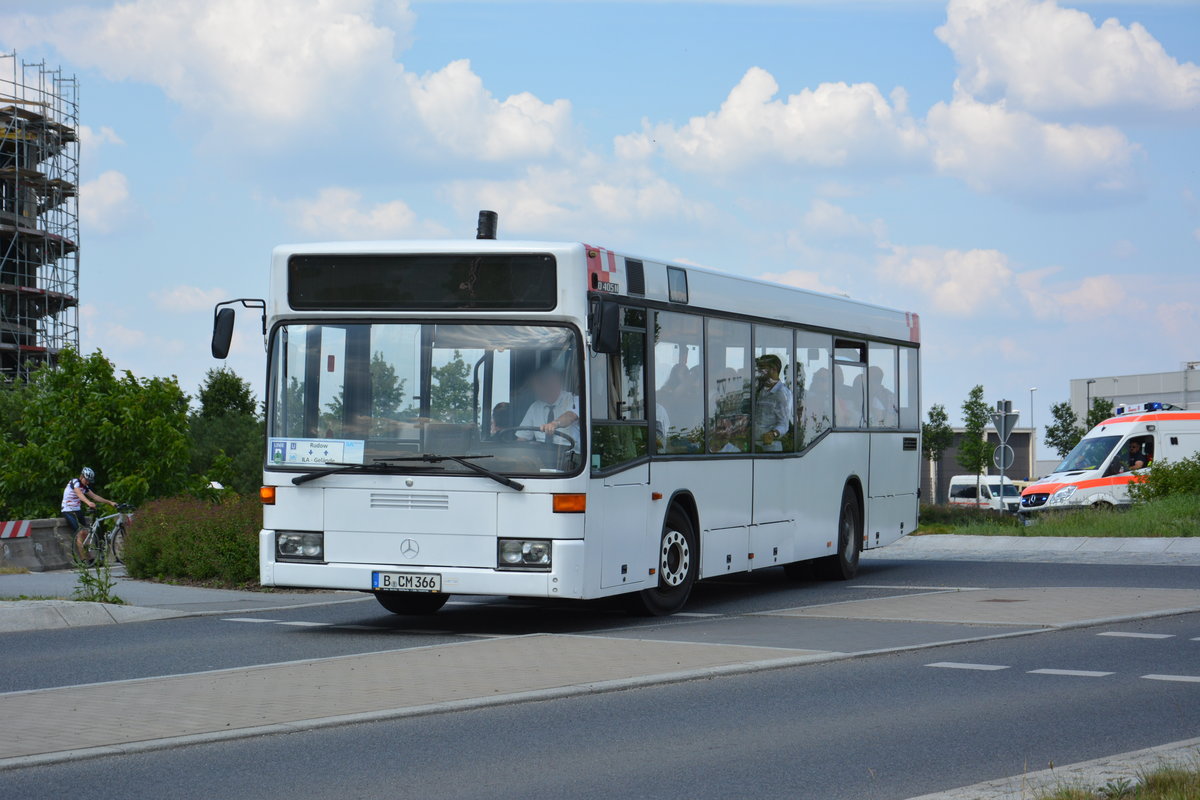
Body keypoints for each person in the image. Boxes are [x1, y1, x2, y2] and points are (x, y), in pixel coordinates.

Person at [516, 366, 580, 450]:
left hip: (570, 455)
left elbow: (570, 416)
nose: (534, 390)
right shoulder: (535, 407)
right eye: (533, 387)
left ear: (549, 384)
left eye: (537, 386)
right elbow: (522, 438)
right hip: (541, 455)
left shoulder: (574, 400)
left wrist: (554, 424)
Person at [61, 467, 116, 561]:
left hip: (77, 510)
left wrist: (110, 502)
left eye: (89, 481)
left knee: (85, 534)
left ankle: (90, 557)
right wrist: (88, 502)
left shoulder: (84, 487)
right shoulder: (75, 482)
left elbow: (95, 496)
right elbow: (79, 494)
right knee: (79, 533)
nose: (88, 482)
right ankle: (84, 559)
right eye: (86, 480)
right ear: (82, 476)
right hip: (68, 510)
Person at [753, 354, 793, 451]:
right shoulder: (762, 390)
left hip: (771, 447)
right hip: (756, 445)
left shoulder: (782, 393)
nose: (759, 372)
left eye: (762, 369)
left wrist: (773, 434)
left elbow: (784, 424)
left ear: (773, 369)